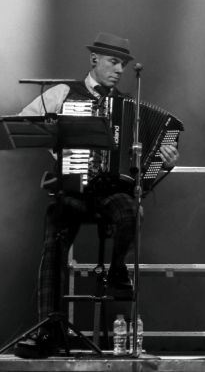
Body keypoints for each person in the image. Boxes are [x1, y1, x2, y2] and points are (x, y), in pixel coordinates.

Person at [13, 32, 180, 359]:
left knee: (134, 211)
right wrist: (56, 132)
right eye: (113, 61)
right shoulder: (63, 92)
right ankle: (49, 327)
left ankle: (116, 270)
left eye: (123, 63)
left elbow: (146, 164)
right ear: (94, 60)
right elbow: (23, 124)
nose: (119, 69)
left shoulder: (127, 106)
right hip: (73, 186)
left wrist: (163, 161)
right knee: (56, 236)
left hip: (108, 191)